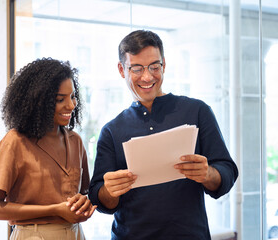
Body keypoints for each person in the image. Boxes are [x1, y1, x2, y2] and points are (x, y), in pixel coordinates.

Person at [88, 30, 239, 239]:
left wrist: (208, 173)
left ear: (164, 65)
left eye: (154, 67)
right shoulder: (112, 130)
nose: (147, 76)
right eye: (137, 69)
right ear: (122, 70)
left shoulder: (197, 111)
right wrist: (110, 190)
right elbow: (99, 197)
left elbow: (227, 172)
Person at [0, 58, 96, 240]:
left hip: (75, 234)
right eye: (60, 99)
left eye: (73, 96)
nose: (71, 105)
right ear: (39, 101)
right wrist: (54, 210)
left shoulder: (76, 141)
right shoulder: (15, 142)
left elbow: (84, 193)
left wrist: (84, 203)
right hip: (34, 235)